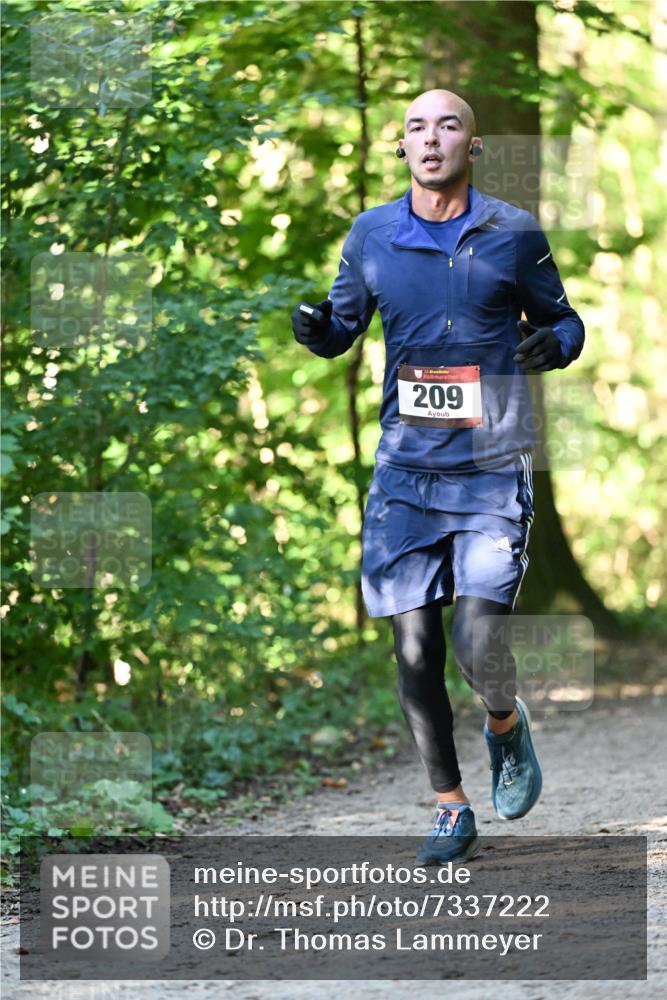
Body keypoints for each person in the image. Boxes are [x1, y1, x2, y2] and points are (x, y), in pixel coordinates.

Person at [291, 89, 585, 865]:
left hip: (490, 469)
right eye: (416, 127)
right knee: (414, 654)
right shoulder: (371, 234)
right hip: (404, 477)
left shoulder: (512, 232)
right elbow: (343, 326)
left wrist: (555, 345)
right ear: (401, 148)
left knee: (475, 637)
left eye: (448, 124)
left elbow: (565, 319)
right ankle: (450, 807)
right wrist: (319, 332)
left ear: (471, 146)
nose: (431, 138)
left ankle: (502, 723)